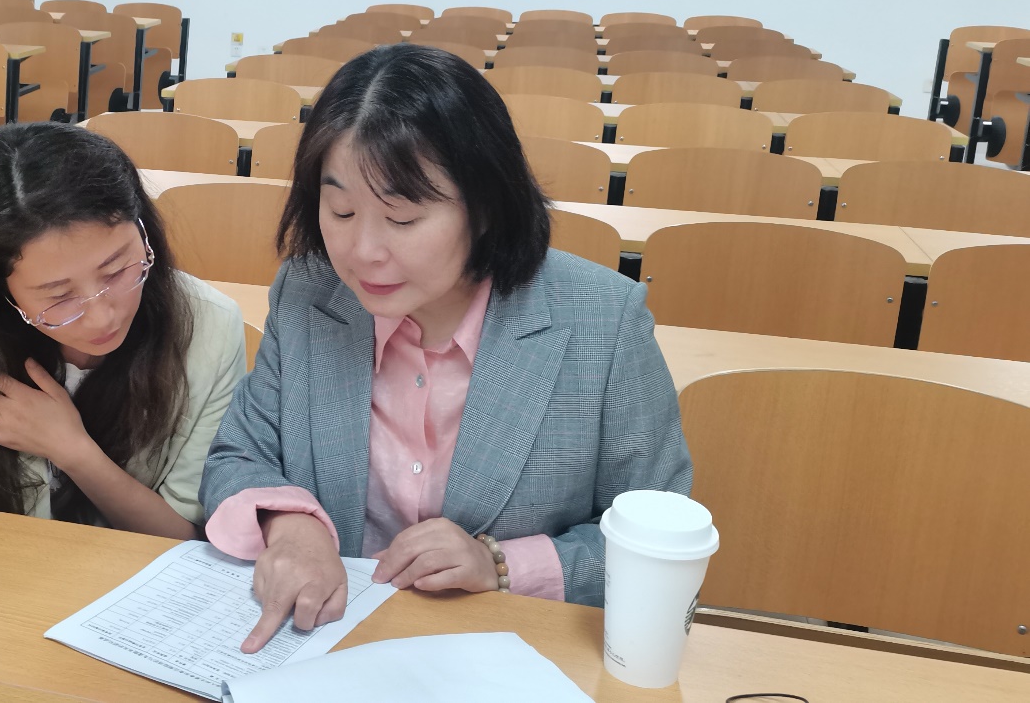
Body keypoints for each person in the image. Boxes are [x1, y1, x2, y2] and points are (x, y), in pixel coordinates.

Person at [199, 45, 693, 652]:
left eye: (402, 219)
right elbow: (238, 453)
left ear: (484, 209)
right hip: (329, 642)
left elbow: (660, 538)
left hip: (508, 651)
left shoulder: (603, 323)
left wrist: (503, 566)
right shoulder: (310, 292)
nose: (363, 252)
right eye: (341, 211)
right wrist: (292, 525)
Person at [0, 122, 247, 539]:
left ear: (143, 232)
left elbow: (184, 539)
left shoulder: (210, 327)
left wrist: (73, 450)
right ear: (0, 292)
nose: (101, 317)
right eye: (58, 297)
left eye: (117, 270)